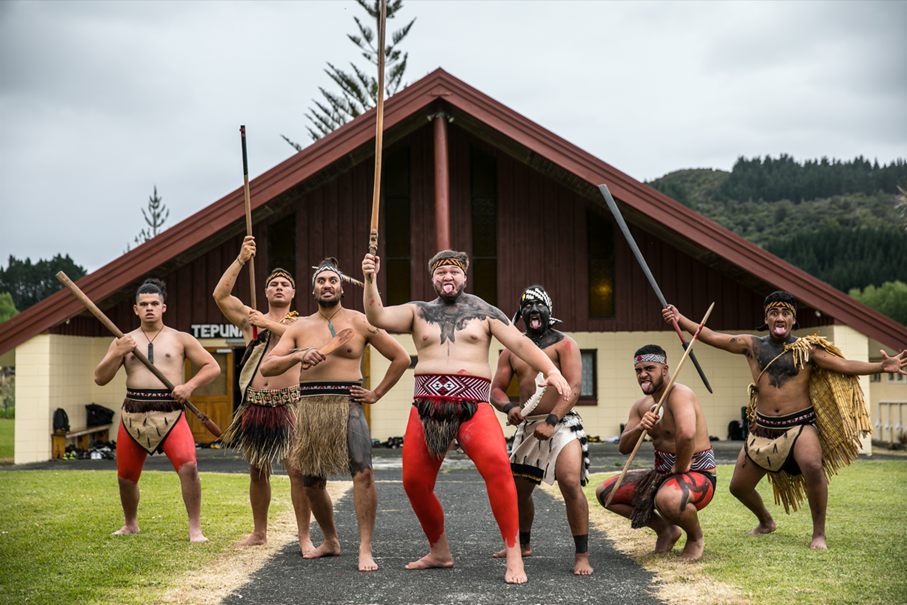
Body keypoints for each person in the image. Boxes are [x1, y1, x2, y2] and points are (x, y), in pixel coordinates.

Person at [362, 250, 573, 584]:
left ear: (464, 276)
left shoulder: (485, 312)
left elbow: (519, 343)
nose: (448, 276)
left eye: (454, 271)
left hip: (474, 406)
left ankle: (514, 555)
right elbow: (377, 316)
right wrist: (370, 279)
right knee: (414, 483)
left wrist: (550, 369)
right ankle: (439, 552)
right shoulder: (419, 311)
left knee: (499, 472)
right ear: (433, 278)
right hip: (427, 408)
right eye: (441, 272)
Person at [664, 292, 907, 550]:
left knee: (813, 466)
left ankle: (819, 535)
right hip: (763, 429)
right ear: (766, 319)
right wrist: (680, 319)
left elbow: (843, 365)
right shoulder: (751, 345)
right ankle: (767, 522)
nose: (780, 317)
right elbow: (711, 336)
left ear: (793, 320)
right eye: (774, 313)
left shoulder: (806, 349)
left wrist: (881, 367)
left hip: (799, 426)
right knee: (738, 487)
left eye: (785, 313)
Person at [260, 258, 410, 572]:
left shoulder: (359, 321)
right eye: (321, 281)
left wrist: (376, 393)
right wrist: (299, 355)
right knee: (311, 483)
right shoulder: (299, 327)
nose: (327, 285)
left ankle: (365, 549)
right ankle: (330, 540)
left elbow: (401, 357)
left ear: (342, 287)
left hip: (348, 402)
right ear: (312, 289)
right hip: (311, 407)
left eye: (332, 280)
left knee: (364, 473)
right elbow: (268, 366)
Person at [94, 278, 220, 542]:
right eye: (144, 304)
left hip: (171, 411)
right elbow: (100, 378)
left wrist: (189, 386)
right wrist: (119, 352)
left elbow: (212, 367)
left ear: (164, 307)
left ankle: (195, 528)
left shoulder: (181, 338)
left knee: (189, 467)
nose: (149, 308)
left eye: (154, 303)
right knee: (126, 477)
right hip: (133, 412)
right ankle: (130, 524)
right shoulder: (122, 341)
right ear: (135, 309)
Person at [213, 236, 313, 551]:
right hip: (255, 404)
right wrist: (242, 259)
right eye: (274, 283)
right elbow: (220, 295)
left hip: (292, 403)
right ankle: (259, 533)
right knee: (257, 470)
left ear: (294, 293)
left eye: (285, 283)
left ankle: (305, 537)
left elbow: (310, 345)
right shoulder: (250, 320)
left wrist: (269, 323)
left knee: (297, 470)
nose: (279, 287)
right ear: (267, 291)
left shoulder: (306, 323)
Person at [489, 285, 592, 575]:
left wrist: (552, 420)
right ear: (521, 314)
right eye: (527, 305)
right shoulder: (511, 349)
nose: (533, 309)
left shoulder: (565, 344)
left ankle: (582, 555)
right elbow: (495, 389)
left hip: (560, 423)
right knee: (518, 492)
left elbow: (572, 388)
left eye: (539, 304)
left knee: (569, 483)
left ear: (549, 311)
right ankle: (523, 545)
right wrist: (509, 408)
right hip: (528, 426)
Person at [595, 345, 716, 560]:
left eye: (649, 368)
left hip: (697, 472)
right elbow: (624, 447)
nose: (643, 374)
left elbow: (687, 435)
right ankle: (666, 530)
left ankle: (695, 537)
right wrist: (640, 427)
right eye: (638, 370)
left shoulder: (680, 394)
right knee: (607, 494)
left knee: (667, 499)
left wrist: (680, 466)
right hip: (662, 473)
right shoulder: (641, 405)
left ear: (665, 369)